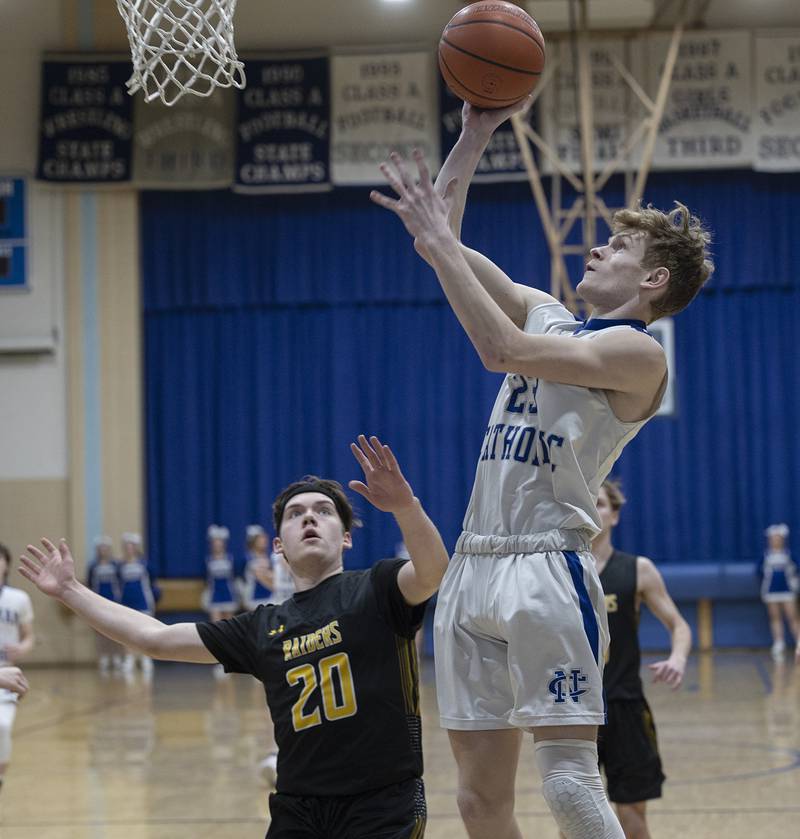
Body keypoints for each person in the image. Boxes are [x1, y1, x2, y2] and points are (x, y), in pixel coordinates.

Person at [371, 97, 713, 839]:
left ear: (653, 280)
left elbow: (501, 351)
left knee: (566, 783)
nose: (595, 251)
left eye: (616, 249)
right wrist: (474, 133)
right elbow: (445, 241)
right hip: (474, 564)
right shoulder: (549, 315)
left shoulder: (639, 354)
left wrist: (439, 242)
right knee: (475, 801)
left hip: (546, 566)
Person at [19, 435, 448, 838]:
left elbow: (432, 570)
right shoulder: (261, 626)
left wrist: (405, 506)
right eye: (295, 515)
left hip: (381, 804)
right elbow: (155, 638)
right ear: (278, 546)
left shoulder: (376, 588)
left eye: (324, 511)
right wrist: (70, 591)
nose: (310, 518)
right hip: (298, 807)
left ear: (347, 537)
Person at [578, 479, 691, 839]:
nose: (592, 511)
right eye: (585, 503)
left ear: (614, 515)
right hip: (574, 709)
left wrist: (677, 658)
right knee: (575, 815)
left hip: (624, 703)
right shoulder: (559, 572)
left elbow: (679, 626)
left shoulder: (638, 569)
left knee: (631, 812)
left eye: (599, 503)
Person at [0, 542, 35, 794]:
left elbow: (29, 636)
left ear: (7, 565)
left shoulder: (18, 599)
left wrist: (23, 649)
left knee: (1, 727)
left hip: (7, 673)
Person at [118, 532, 157, 676]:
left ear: (136, 547)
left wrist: (152, 598)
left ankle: (146, 658)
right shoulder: (120, 565)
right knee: (125, 631)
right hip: (126, 601)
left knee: (146, 630)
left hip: (143, 601)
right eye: (127, 546)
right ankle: (129, 658)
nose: (129, 549)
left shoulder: (144, 564)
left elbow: (152, 582)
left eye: (132, 546)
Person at [759, 524, 799, 661]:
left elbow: (796, 569)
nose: (775, 541)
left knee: (792, 616)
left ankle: (798, 641)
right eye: (772, 538)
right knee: (775, 618)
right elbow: (759, 571)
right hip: (771, 591)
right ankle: (778, 642)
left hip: (787, 591)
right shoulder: (766, 556)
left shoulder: (789, 555)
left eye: (778, 538)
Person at [86, 535, 123, 672]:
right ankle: (104, 658)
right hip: (98, 603)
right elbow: (90, 584)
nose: (103, 550)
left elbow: (120, 583)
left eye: (105, 548)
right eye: (100, 548)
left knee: (117, 631)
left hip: (114, 602)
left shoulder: (115, 566)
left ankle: (117, 658)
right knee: (101, 633)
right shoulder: (93, 566)